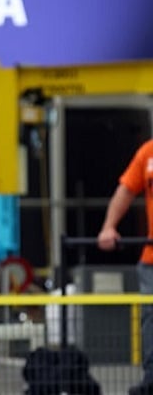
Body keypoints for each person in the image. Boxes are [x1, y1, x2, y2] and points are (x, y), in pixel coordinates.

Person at [97, 138, 153, 395]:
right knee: (150, 319)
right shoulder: (148, 153)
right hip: (151, 261)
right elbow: (126, 190)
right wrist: (109, 226)